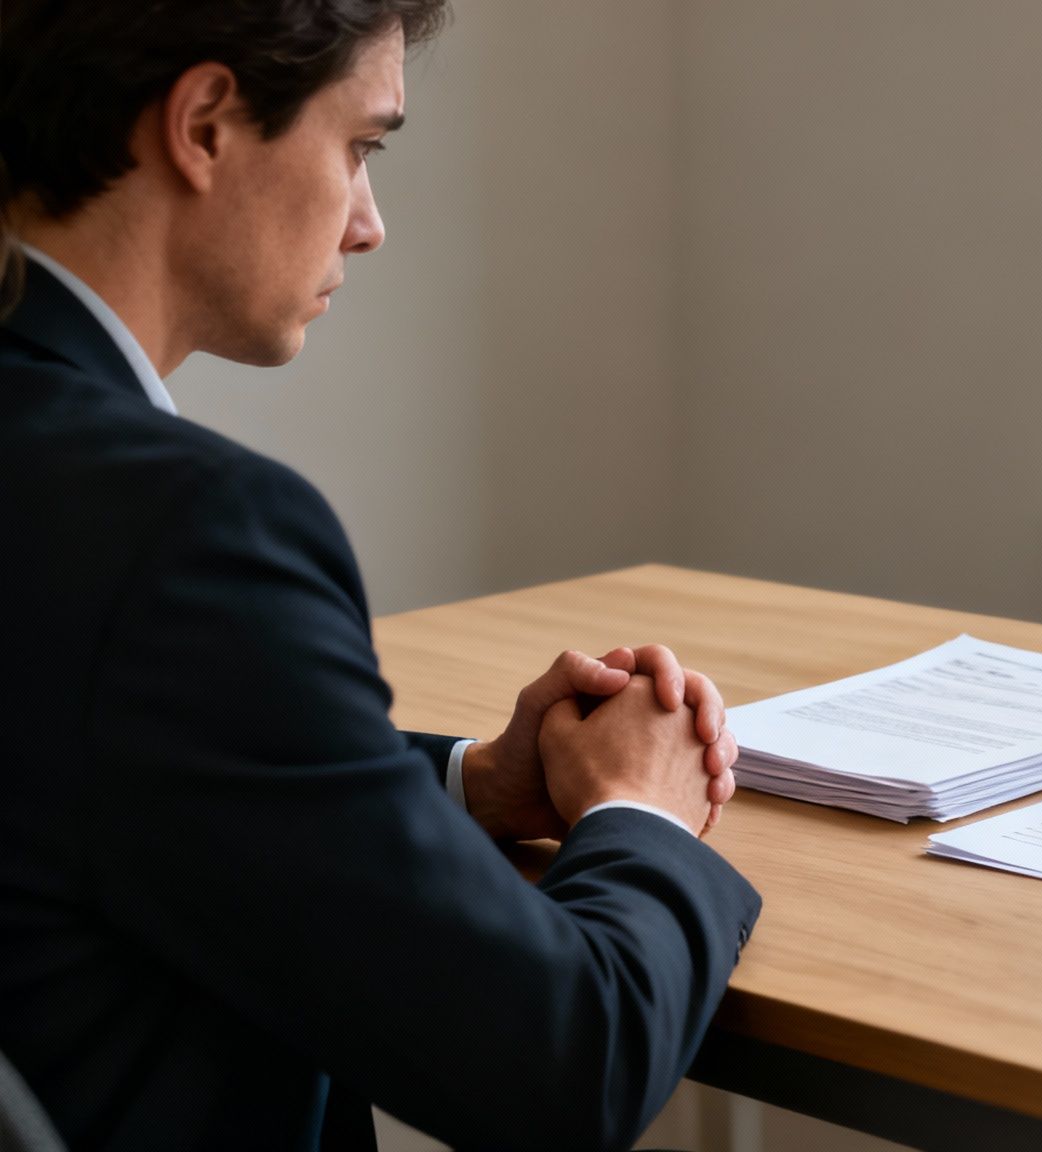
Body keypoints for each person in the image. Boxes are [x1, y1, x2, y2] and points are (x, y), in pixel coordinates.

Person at [0, 2, 763, 1149]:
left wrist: (467, 786)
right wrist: (640, 814)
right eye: (360, 146)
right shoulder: (188, 539)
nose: (368, 225)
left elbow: (74, 754)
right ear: (204, 124)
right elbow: (563, 1066)